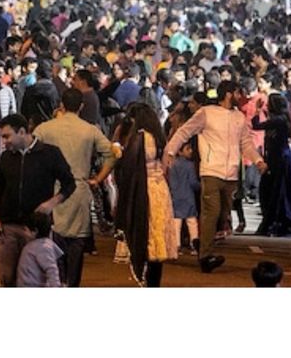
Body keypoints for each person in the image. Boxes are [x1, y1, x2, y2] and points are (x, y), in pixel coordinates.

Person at [164, 81, 266, 273]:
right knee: (212, 212)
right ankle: (205, 256)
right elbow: (185, 131)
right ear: (228, 94)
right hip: (211, 171)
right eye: (238, 93)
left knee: (222, 214)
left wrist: (258, 161)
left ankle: (202, 243)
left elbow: (246, 143)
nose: (240, 96)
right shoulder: (206, 113)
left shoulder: (238, 117)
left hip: (231, 174)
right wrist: (170, 151)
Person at [33, 88, 116, 287]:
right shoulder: (90, 130)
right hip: (79, 188)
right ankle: (72, 284)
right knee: (77, 242)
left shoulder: (45, 129)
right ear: (81, 106)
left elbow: (31, 151)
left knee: (54, 238)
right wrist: (99, 178)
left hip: (53, 190)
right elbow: (112, 154)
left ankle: (58, 282)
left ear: (61, 104)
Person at [0, 113, 76, 287]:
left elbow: (69, 183)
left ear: (22, 132)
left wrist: (51, 203)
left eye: (7, 136)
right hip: (9, 226)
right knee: (7, 277)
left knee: (35, 277)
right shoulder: (6, 157)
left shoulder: (50, 154)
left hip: (36, 229)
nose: (4, 142)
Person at [114, 103, 178, 287]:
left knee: (144, 233)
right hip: (160, 189)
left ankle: (146, 279)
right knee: (157, 239)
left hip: (144, 190)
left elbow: (129, 164)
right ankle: (154, 281)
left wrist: (117, 150)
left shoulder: (140, 137)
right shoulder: (158, 137)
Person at [252, 92, 291, 237]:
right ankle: (277, 221)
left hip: (278, 160)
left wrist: (257, 111)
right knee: (277, 191)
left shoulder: (278, 120)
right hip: (279, 158)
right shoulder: (283, 119)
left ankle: (274, 221)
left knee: (275, 191)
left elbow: (256, 125)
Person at [166, 140, 200, 256]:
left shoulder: (172, 164)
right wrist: (200, 186)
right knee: (192, 222)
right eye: (187, 149)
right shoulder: (190, 165)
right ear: (180, 151)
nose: (190, 151)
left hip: (176, 196)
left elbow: (171, 182)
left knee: (177, 222)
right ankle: (194, 244)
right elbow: (193, 182)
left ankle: (176, 246)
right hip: (188, 196)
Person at [16, 212, 63, 287]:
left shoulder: (43, 247)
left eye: (25, 230)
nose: (24, 233)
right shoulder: (35, 244)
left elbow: (51, 269)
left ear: (35, 231)